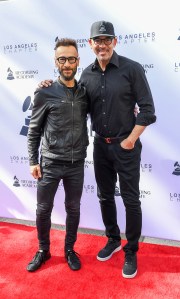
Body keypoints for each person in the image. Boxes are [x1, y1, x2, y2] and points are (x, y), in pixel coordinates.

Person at [39, 20, 156, 279]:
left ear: (115, 41)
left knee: (131, 200)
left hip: (126, 147)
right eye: (97, 40)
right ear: (90, 45)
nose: (102, 45)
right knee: (104, 197)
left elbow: (148, 111)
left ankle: (131, 250)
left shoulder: (132, 69)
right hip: (100, 147)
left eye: (107, 40)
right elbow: (73, 100)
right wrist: (48, 86)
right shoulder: (87, 74)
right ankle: (113, 238)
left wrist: (130, 141)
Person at [27, 38, 89, 272]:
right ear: (56, 62)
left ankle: (70, 249)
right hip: (50, 163)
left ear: (77, 61)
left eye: (71, 59)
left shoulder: (85, 92)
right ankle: (43, 250)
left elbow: (105, 109)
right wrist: (33, 160)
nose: (67, 64)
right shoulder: (45, 92)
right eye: (62, 59)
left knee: (73, 208)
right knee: (43, 209)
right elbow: (34, 129)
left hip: (76, 164)